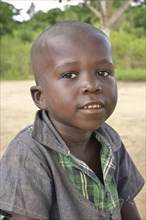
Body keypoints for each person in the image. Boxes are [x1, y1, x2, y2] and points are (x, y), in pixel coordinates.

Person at [0, 20, 144, 220]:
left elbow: (127, 207)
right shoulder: (29, 153)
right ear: (40, 97)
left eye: (103, 73)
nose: (92, 85)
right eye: (70, 74)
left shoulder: (110, 140)